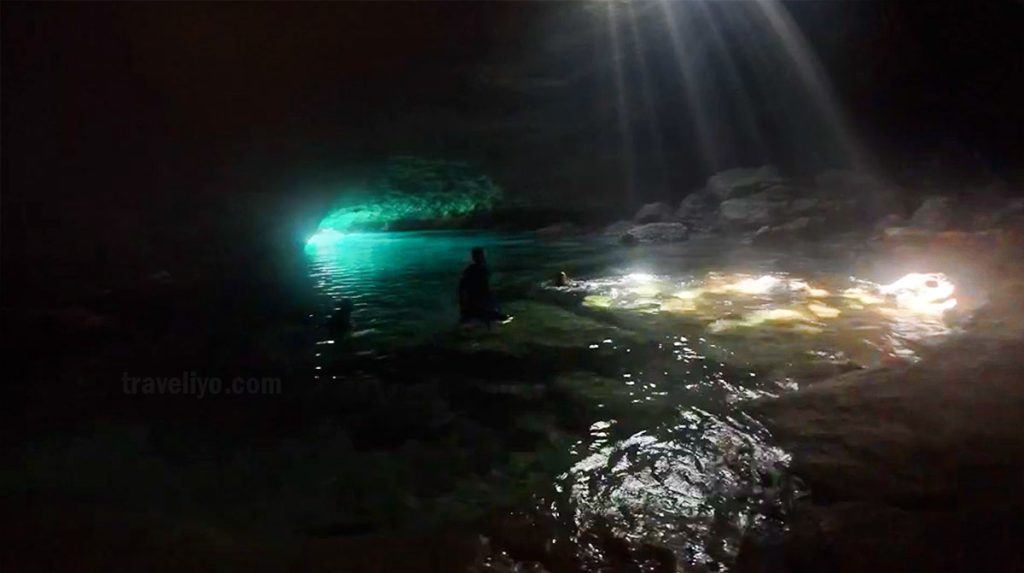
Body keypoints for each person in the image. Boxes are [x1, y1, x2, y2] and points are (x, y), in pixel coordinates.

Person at [458, 247, 510, 325]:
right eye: (482, 256)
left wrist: (463, 305)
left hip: (473, 302)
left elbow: (461, 288)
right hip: (479, 302)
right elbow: (486, 288)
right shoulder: (482, 270)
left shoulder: (469, 270)